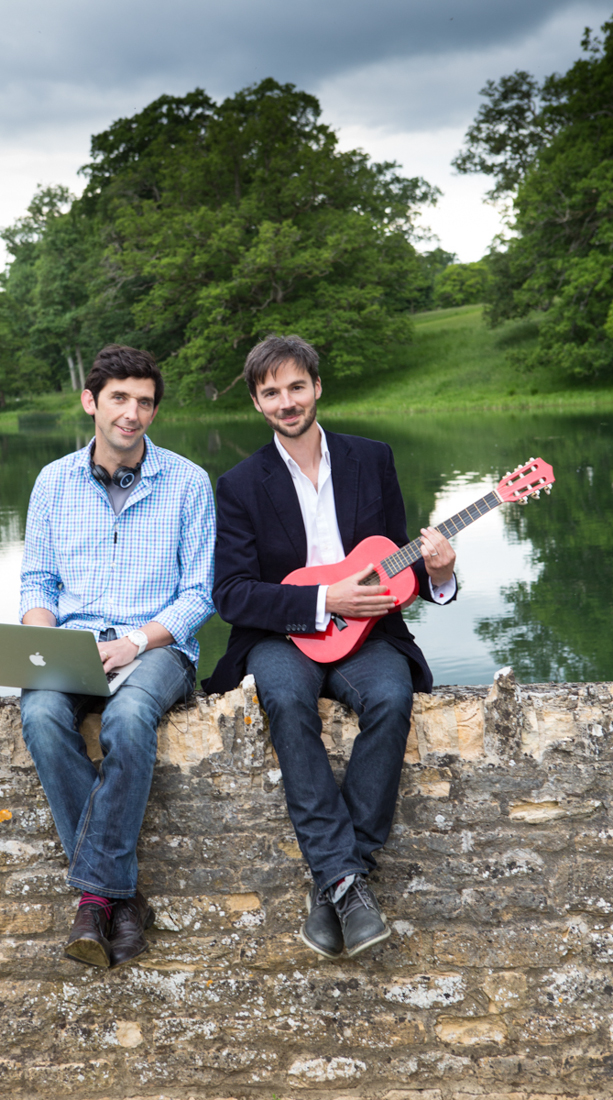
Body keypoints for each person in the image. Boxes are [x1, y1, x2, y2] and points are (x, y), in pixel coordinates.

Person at [203, 334, 457, 960]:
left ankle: (338, 880)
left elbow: (396, 563)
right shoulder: (239, 484)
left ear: (317, 386)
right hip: (281, 636)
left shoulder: (372, 458)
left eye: (296, 386)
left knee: (392, 698)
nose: (286, 402)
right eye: (272, 393)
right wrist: (323, 601)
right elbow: (232, 594)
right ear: (258, 403)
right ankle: (350, 883)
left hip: (367, 635)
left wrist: (440, 573)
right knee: (286, 701)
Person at [19, 344, 215, 968]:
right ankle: (118, 898)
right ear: (91, 401)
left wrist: (133, 642)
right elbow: (38, 582)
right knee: (40, 715)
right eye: (119, 399)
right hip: (75, 641)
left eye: (145, 402)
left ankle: (93, 900)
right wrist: (42, 642)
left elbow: (200, 594)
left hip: (158, 645)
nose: (132, 413)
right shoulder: (53, 481)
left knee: (129, 720)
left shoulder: (189, 481)